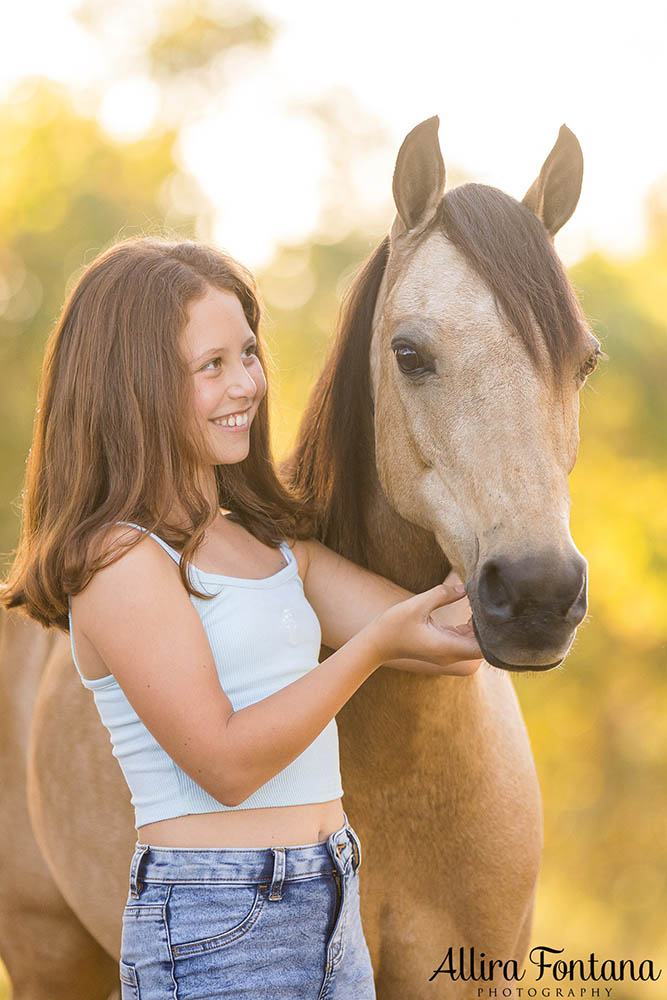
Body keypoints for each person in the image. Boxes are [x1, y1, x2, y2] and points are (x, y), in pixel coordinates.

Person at [1, 236, 483, 999]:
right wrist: (363, 652)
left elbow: (451, 641)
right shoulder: (121, 562)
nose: (247, 385)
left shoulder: (268, 546)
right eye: (211, 366)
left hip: (328, 896)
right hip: (214, 919)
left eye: (248, 353)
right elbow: (225, 764)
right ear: (134, 387)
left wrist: (500, 529)